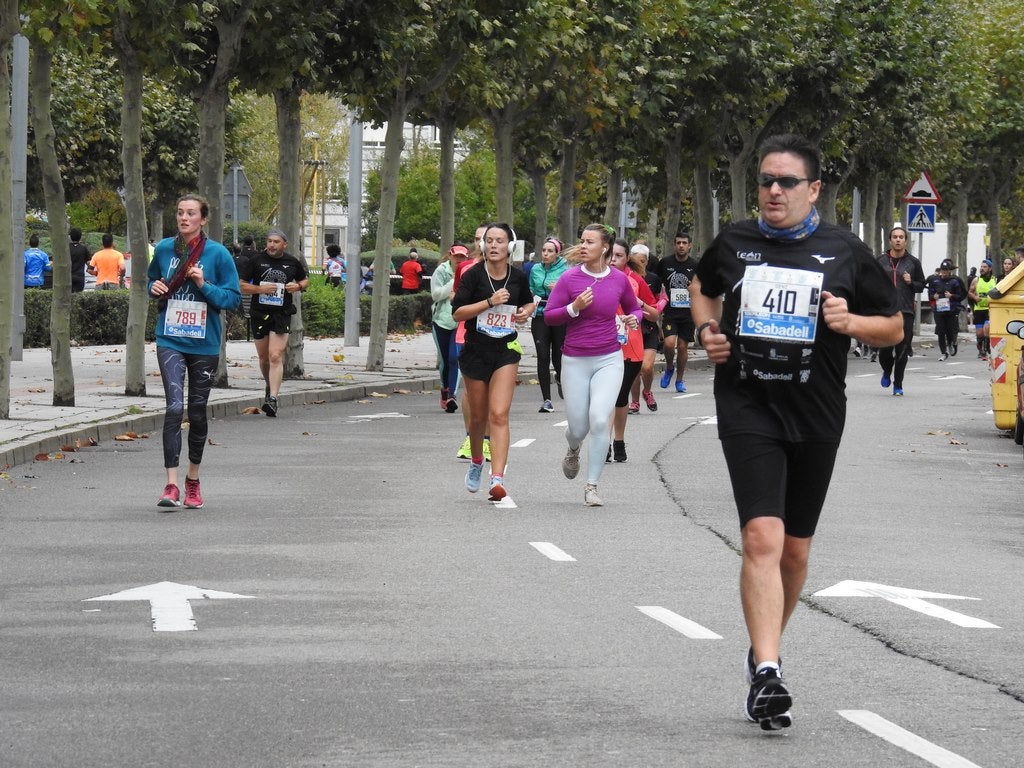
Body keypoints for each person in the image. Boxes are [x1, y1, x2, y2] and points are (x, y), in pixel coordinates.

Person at [690, 134, 902, 731]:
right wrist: (709, 334)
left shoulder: (846, 251)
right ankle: (767, 671)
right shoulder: (734, 242)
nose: (774, 191)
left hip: (816, 412)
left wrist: (851, 320)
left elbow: (893, 328)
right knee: (762, 536)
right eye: (765, 181)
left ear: (814, 190)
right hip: (748, 405)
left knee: (796, 550)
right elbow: (702, 291)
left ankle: (763, 650)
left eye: (786, 182)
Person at [147, 194, 241, 509]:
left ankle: (193, 480)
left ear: (203, 219)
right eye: (180, 212)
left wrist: (203, 283)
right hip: (170, 338)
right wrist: (154, 287)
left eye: (190, 213)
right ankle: (170, 485)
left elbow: (232, 299)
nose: (184, 218)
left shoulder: (217, 254)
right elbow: (151, 280)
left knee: (197, 412)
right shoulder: (163, 249)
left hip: (205, 343)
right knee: (174, 407)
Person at [544, 223, 642, 506]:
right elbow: (550, 316)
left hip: (609, 358)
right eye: (582, 241)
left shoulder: (618, 279)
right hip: (575, 359)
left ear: (605, 247)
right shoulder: (570, 279)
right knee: (578, 427)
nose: (584, 246)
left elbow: (633, 306)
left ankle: (592, 485)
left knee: (600, 420)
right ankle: (573, 447)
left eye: (590, 242)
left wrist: (633, 317)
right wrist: (574, 308)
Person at [451, 223, 534, 502]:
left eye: (500, 241)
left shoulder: (518, 277)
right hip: (475, 350)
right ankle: (477, 460)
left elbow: (529, 302)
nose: (494, 245)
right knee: (478, 417)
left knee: (499, 414)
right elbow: (458, 313)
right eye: (490, 241)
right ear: (484, 246)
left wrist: (524, 312)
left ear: (509, 246)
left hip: (505, 350)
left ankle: (497, 478)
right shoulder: (473, 275)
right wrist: (489, 301)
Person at [237, 228, 309, 417]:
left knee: (275, 355)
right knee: (264, 358)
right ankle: (270, 386)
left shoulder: (292, 262)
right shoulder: (256, 261)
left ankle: (273, 399)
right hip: (260, 313)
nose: (271, 245)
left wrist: (298, 286)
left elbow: (304, 280)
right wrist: (259, 290)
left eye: (276, 242)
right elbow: (241, 285)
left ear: (284, 244)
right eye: (269, 241)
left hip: (282, 314)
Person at [609, 238, 658, 462]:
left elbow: (654, 314)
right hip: (603, 346)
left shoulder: (636, 280)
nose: (613, 260)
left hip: (631, 347)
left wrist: (639, 305)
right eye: (610, 255)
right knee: (606, 397)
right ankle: (604, 443)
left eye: (618, 256)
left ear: (627, 258)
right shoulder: (596, 278)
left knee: (619, 396)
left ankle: (618, 440)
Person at [876, 226, 925, 396]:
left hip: (906, 312)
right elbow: (869, 283)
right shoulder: (880, 261)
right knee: (884, 351)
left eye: (901, 237)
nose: (898, 240)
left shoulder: (913, 262)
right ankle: (886, 370)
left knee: (902, 350)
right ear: (890, 240)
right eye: (895, 237)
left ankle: (898, 384)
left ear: (905, 240)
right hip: (885, 312)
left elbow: (921, 286)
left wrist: (911, 282)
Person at [528, 236, 569, 413]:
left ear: (557, 253)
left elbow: (572, 294)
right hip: (539, 315)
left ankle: (560, 377)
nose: (545, 254)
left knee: (558, 359)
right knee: (542, 356)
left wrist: (558, 289)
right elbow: (529, 289)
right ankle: (546, 399)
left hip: (559, 315)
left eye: (550, 251)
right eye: (543, 251)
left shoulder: (566, 270)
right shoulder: (535, 269)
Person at [655, 231, 698, 393]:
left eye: (684, 243)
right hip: (670, 312)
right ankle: (669, 367)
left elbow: (702, 288)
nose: (681, 245)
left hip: (688, 314)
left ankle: (679, 380)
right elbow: (656, 282)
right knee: (668, 343)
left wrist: (693, 289)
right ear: (674, 245)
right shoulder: (665, 263)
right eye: (678, 243)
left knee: (682, 347)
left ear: (689, 245)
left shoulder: (696, 266)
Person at [431, 242, 470, 413]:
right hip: (442, 321)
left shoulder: (470, 271)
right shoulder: (441, 271)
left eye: (462, 257)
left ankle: (451, 396)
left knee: (455, 357)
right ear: (450, 256)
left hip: (460, 321)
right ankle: (444, 389)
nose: (459, 260)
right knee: (445, 360)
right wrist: (454, 282)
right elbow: (436, 295)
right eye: (456, 256)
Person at [628, 243, 666, 412]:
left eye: (642, 261)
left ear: (647, 261)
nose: (639, 265)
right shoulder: (625, 278)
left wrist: (656, 312)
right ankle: (634, 402)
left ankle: (647, 391)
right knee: (634, 369)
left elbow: (661, 299)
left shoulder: (653, 279)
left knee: (647, 367)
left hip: (649, 327)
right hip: (631, 327)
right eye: (636, 261)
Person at [927, 259, 966, 360]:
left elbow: (961, 295)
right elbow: (930, 293)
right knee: (940, 331)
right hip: (938, 309)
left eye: (945, 270)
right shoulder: (935, 280)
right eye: (942, 270)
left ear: (949, 271)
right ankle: (943, 352)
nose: (943, 272)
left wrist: (951, 296)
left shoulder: (955, 281)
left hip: (951, 310)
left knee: (950, 330)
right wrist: (933, 296)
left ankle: (952, 343)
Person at [968, 259, 997, 360]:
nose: (982, 269)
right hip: (979, 309)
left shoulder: (995, 280)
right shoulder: (976, 280)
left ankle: (985, 350)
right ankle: (980, 349)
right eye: (981, 267)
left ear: (990, 268)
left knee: (987, 329)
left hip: (990, 309)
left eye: (984, 267)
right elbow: (970, 292)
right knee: (979, 333)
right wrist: (975, 297)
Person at [68, 227, 91, 292]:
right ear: (80, 237)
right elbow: (89, 263)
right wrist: (88, 269)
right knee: (78, 297)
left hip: (68, 277)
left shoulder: (66, 248)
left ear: (70, 236)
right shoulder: (83, 248)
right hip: (80, 276)